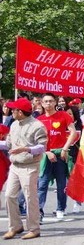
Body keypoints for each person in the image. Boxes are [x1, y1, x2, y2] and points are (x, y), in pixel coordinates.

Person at [1, 97, 48, 240]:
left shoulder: (37, 126)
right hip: (15, 166)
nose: (11, 111)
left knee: (30, 198)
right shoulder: (14, 124)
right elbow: (8, 144)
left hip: (30, 166)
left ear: (20, 112)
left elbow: (42, 146)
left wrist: (26, 149)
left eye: (14, 109)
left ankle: (34, 228)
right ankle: (15, 226)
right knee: (9, 195)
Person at [36, 93, 78, 221]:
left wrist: (65, 149)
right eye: (46, 101)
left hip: (61, 154)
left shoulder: (63, 116)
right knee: (42, 184)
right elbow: (36, 140)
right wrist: (46, 152)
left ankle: (61, 208)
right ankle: (39, 211)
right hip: (45, 155)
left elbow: (73, 132)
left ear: (55, 103)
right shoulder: (39, 120)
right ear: (42, 104)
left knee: (61, 183)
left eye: (50, 101)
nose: (48, 104)